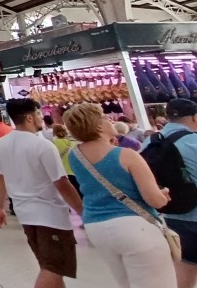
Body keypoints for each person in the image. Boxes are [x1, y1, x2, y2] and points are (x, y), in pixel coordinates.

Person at [65, 103, 176, 288]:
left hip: (97, 227)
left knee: (126, 282)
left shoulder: (75, 155)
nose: (110, 120)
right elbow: (154, 200)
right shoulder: (127, 155)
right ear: (98, 126)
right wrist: (163, 194)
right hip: (134, 227)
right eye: (105, 118)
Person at [0, 98, 83, 288]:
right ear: (30, 117)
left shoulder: (2, 144)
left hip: (25, 215)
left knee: (49, 267)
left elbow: (1, 177)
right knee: (53, 269)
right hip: (50, 216)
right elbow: (61, 182)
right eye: (39, 114)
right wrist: (83, 212)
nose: (42, 118)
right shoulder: (43, 146)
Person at [143, 98, 197, 288]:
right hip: (194, 214)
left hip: (169, 214)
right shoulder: (193, 140)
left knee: (184, 267)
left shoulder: (149, 142)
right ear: (194, 117)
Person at [50, 124, 81, 200]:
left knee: (66, 196)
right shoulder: (72, 143)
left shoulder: (52, 144)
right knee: (79, 195)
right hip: (73, 172)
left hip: (61, 174)